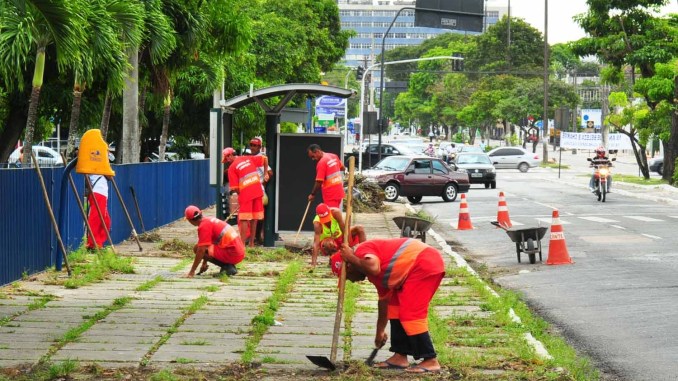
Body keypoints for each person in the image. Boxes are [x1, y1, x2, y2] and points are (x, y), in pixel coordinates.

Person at [329, 238, 445, 373]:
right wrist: (379, 331)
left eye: (348, 276)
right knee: (394, 309)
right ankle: (400, 356)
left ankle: (430, 360)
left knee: (410, 314)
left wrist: (350, 257)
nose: (351, 281)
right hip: (411, 272)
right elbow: (384, 302)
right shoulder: (374, 276)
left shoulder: (361, 252)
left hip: (423, 263)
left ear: (349, 266)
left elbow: (373, 267)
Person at [183, 205, 244, 277]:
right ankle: (228, 266)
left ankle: (227, 267)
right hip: (239, 251)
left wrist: (191, 272)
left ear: (190, 220)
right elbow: (207, 245)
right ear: (201, 213)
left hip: (233, 253)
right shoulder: (209, 220)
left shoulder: (203, 226)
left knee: (197, 248)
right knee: (199, 247)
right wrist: (204, 263)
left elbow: (201, 250)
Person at [225, 147, 269, 247]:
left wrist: (241, 197)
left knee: (244, 218)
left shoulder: (231, 168)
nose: (227, 161)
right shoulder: (247, 158)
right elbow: (265, 158)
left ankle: (242, 244)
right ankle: (251, 243)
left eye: (226, 159)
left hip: (246, 194)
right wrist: (265, 173)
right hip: (258, 191)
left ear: (230, 155)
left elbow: (235, 188)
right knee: (254, 217)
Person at [249, 137, 273, 244]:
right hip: (250, 189)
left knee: (257, 216)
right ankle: (253, 237)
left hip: (258, 190)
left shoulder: (260, 157)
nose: (253, 147)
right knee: (251, 216)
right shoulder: (251, 157)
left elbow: (270, 172)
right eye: (252, 145)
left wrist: (264, 180)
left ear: (259, 147)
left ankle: (257, 237)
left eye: (255, 145)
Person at [307, 144, 345, 209]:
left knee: (331, 215)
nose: (313, 159)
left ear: (317, 151)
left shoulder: (321, 163)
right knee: (335, 212)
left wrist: (312, 194)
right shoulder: (333, 156)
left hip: (330, 194)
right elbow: (342, 168)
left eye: (313, 156)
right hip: (339, 191)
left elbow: (319, 181)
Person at [86, 174, 111, 250]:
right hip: (98, 191)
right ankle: (93, 244)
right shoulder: (97, 164)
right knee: (97, 219)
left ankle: (97, 242)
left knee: (105, 220)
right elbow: (109, 176)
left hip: (100, 192)